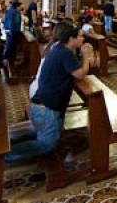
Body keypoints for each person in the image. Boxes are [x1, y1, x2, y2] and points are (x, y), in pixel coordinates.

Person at [5, 22, 95, 164]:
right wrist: (86, 57)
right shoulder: (65, 53)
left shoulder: (58, 48)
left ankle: (9, 142)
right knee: (47, 145)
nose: (83, 39)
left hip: (40, 105)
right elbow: (80, 74)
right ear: (71, 39)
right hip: (47, 110)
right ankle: (3, 156)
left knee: (42, 133)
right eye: (80, 36)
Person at [2, 0, 22, 71]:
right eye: (20, 6)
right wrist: (11, 30)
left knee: (10, 45)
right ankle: (7, 60)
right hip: (13, 31)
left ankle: (8, 60)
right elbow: (13, 22)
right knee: (11, 46)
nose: (21, 8)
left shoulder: (10, 10)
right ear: (17, 6)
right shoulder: (15, 12)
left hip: (10, 30)